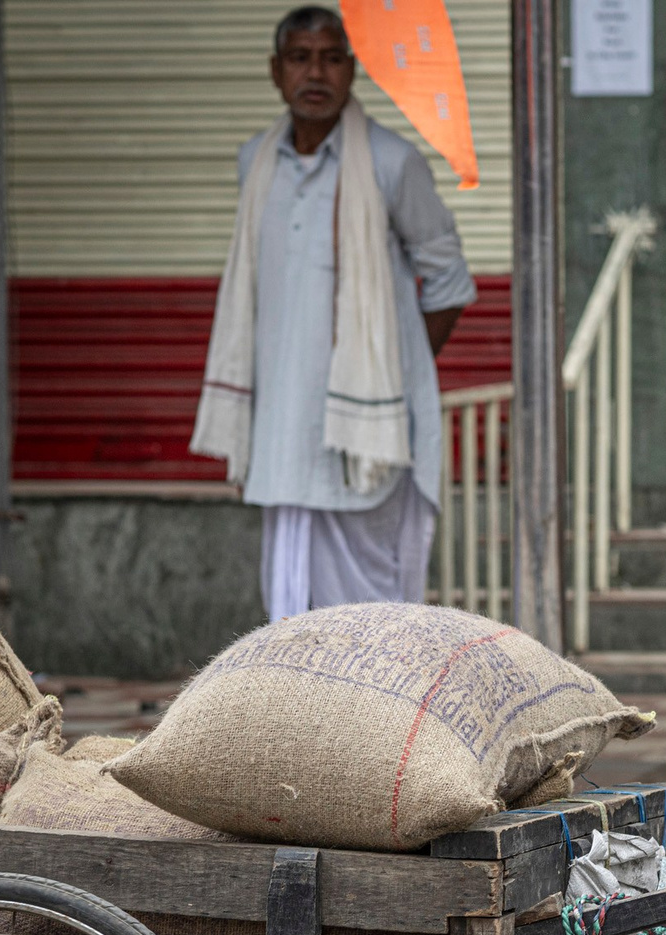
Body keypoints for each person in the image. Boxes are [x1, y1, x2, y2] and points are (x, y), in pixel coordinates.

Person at [191, 6, 476, 621]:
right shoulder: (255, 162)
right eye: (300, 57)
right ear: (276, 70)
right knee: (293, 617)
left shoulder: (391, 163)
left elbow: (449, 282)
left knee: (374, 611)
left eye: (332, 57)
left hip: (366, 436)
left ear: (354, 68)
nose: (315, 72)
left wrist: (389, 381)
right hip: (283, 431)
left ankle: (379, 719)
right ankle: (305, 720)